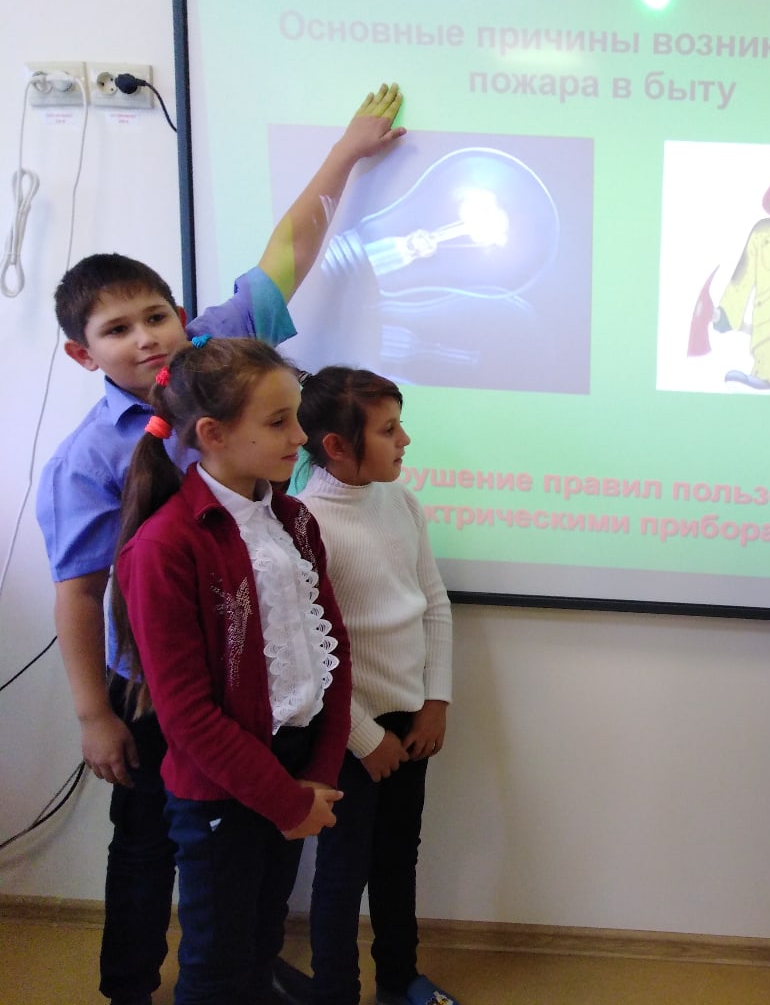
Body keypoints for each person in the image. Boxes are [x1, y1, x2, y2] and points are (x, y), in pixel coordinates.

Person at [35, 83, 405, 1005]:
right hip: (158, 686)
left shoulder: (226, 357)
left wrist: (347, 152)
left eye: (155, 316)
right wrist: (95, 714)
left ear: (182, 314)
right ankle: (134, 985)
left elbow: (289, 250)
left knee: (244, 874)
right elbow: (80, 592)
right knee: (153, 847)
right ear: (83, 353)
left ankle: (243, 970)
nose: (146, 339)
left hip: (254, 680)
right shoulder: (91, 461)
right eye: (116, 331)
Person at [111, 337, 353, 1004]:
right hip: (221, 790)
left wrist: (317, 774)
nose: (300, 437)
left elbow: (332, 651)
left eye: (296, 417)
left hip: (296, 772)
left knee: (261, 944)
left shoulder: (294, 520)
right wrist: (287, 801)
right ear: (213, 435)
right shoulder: (166, 545)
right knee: (218, 964)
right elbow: (187, 716)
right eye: (278, 422)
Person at [294, 367, 456, 1005]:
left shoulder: (401, 502)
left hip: (410, 722)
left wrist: (435, 701)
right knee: (342, 870)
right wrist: (363, 738)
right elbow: (313, 652)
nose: (404, 440)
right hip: (346, 734)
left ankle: (399, 979)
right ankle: (336, 990)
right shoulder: (306, 524)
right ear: (336, 445)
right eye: (389, 430)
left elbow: (433, 604)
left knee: (397, 860)